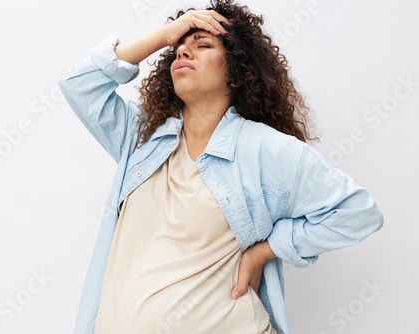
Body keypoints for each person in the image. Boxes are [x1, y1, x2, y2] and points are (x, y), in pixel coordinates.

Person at [59, 1, 384, 333]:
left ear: (237, 73)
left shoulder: (264, 149)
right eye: (179, 49)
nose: (184, 53)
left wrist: (266, 251)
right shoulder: (140, 136)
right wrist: (163, 35)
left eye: (202, 45)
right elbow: (78, 85)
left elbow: (357, 212)